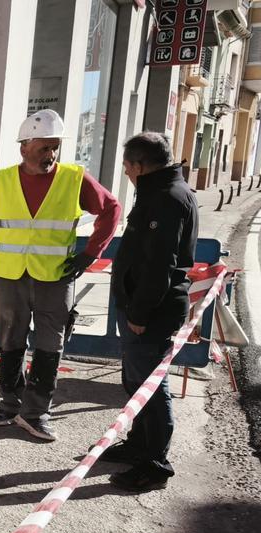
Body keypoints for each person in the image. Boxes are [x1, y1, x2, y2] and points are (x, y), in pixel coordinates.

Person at [0, 109, 121, 442]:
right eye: (43, 148)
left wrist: (90, 253)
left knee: (50, 345)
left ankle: (36, 413)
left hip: (55, 277)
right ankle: (10, 405)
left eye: (54, 147)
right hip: (9, 277)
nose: (50, 155)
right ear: (24, 147)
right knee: (10, 342)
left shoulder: (74, 179)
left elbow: (112, 208)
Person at [104, 132, 197, 491]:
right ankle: (139, 445)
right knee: (137, 381)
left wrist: (139, 314)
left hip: (150, 312)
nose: (126, 173)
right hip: (141, 307)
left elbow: (160, 266)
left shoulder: (166, 198)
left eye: (127, 167)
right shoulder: (160, 191)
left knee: (151, 388)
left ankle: (155, 465)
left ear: (139, 166)